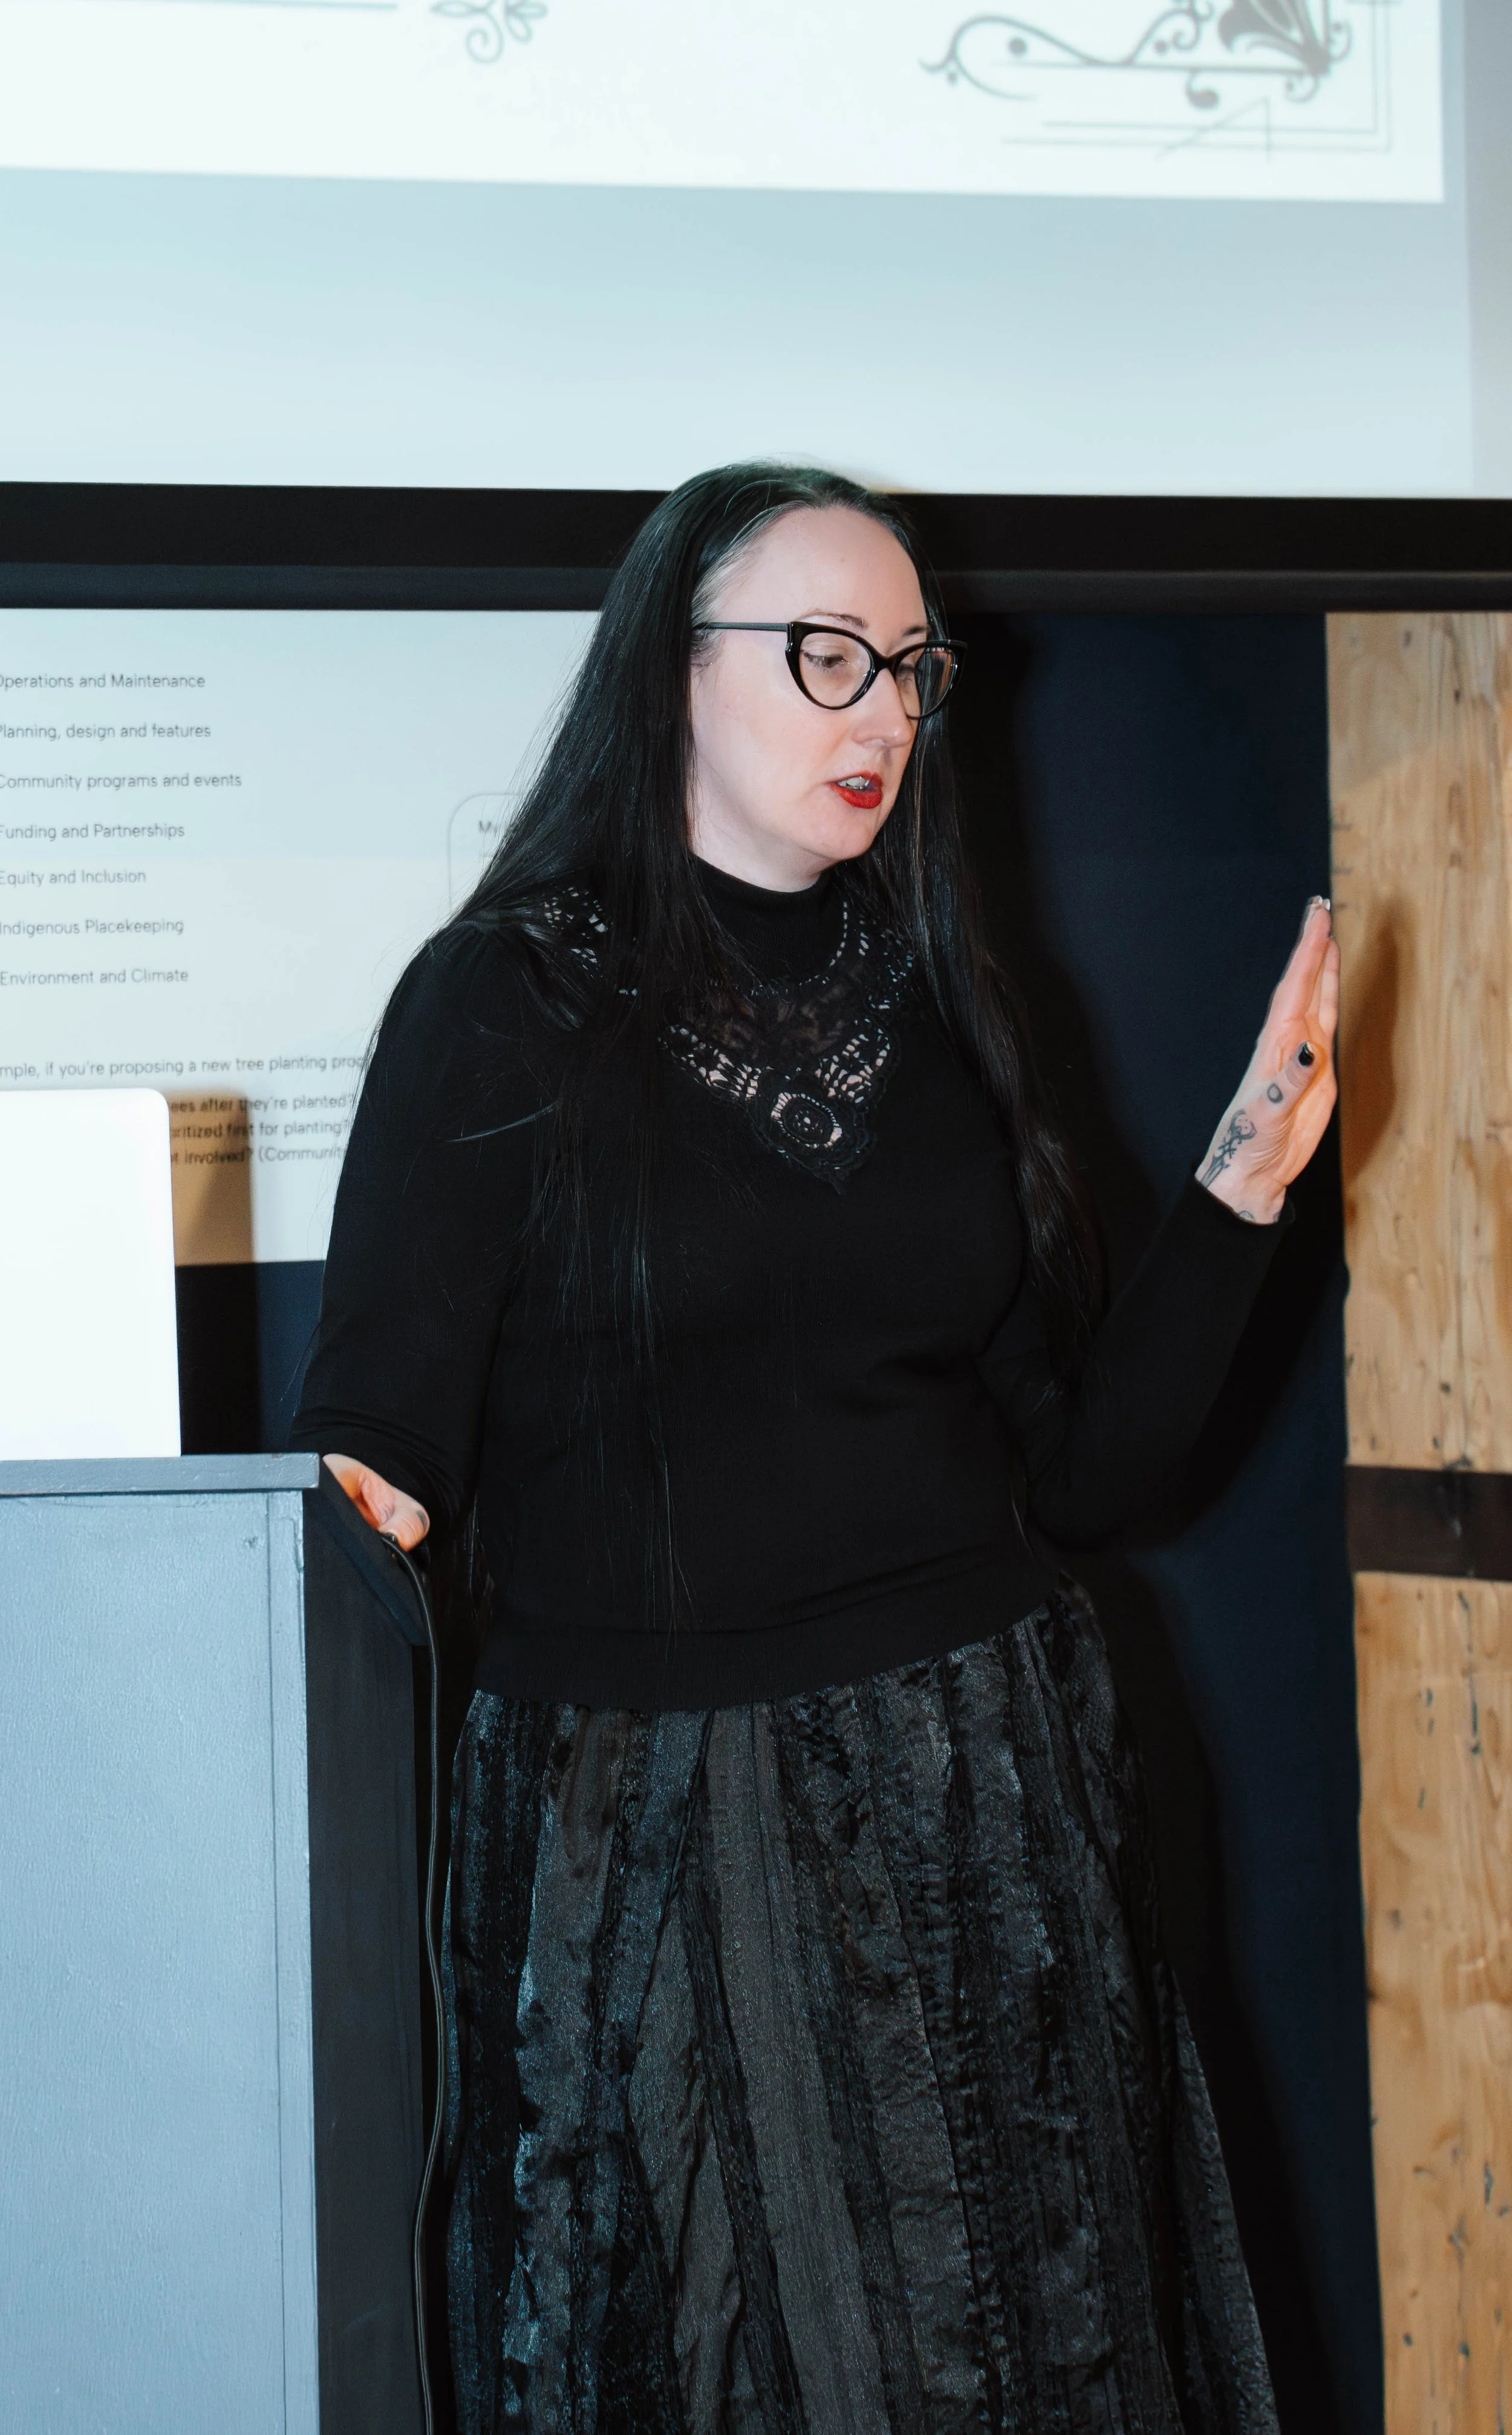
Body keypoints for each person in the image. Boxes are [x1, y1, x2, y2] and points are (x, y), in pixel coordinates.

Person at [292, 462, 1339, 2434]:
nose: (881, 712)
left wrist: (1239, 1192)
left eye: (912, 670)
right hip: (652, 1842)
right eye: (825, 655)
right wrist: (350, 1514)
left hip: (983, 1806)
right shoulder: (499, 1002)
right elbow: (375, 1430)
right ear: (666, 671)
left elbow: (1094, 1475)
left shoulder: (940, 1005)